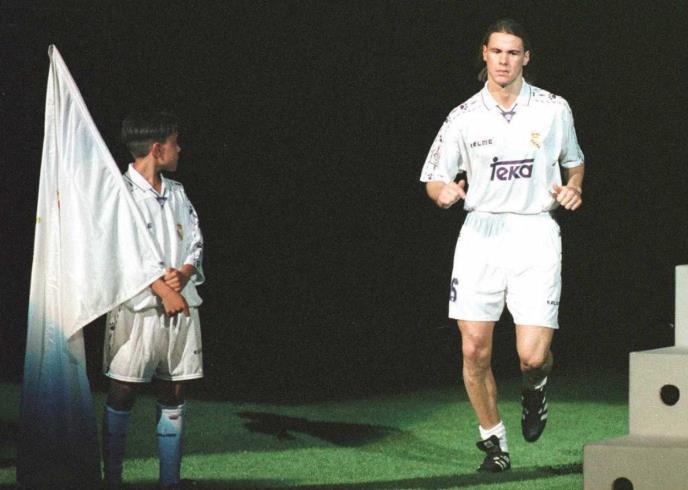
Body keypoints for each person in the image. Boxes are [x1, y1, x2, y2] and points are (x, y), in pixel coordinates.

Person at [420, 19, 584, 472]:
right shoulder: (463, 116)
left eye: (513, 53)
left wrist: (574, 188)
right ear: (485, 54)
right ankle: (495, 443)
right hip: (481, 234)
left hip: (535, 232)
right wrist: (442, 193)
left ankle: (535, 390)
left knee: (532, 357)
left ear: (526, 57)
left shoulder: (553, 108)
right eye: (496, 52)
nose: (504, 61)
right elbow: (434, 177)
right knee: (474, 349)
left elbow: (574, 163)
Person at [101, 111, 204, 489]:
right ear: (158, 149)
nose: (180, 149)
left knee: (173, 389)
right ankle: (112, 478)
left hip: (181, 306)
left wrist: (185, 272)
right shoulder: (120, 193)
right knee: (124, 389)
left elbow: (195, 238)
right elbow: (119, 251)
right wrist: (162, 289)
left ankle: (169, 481)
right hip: (138, 308)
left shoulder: (177, 192)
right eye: (175, 143)